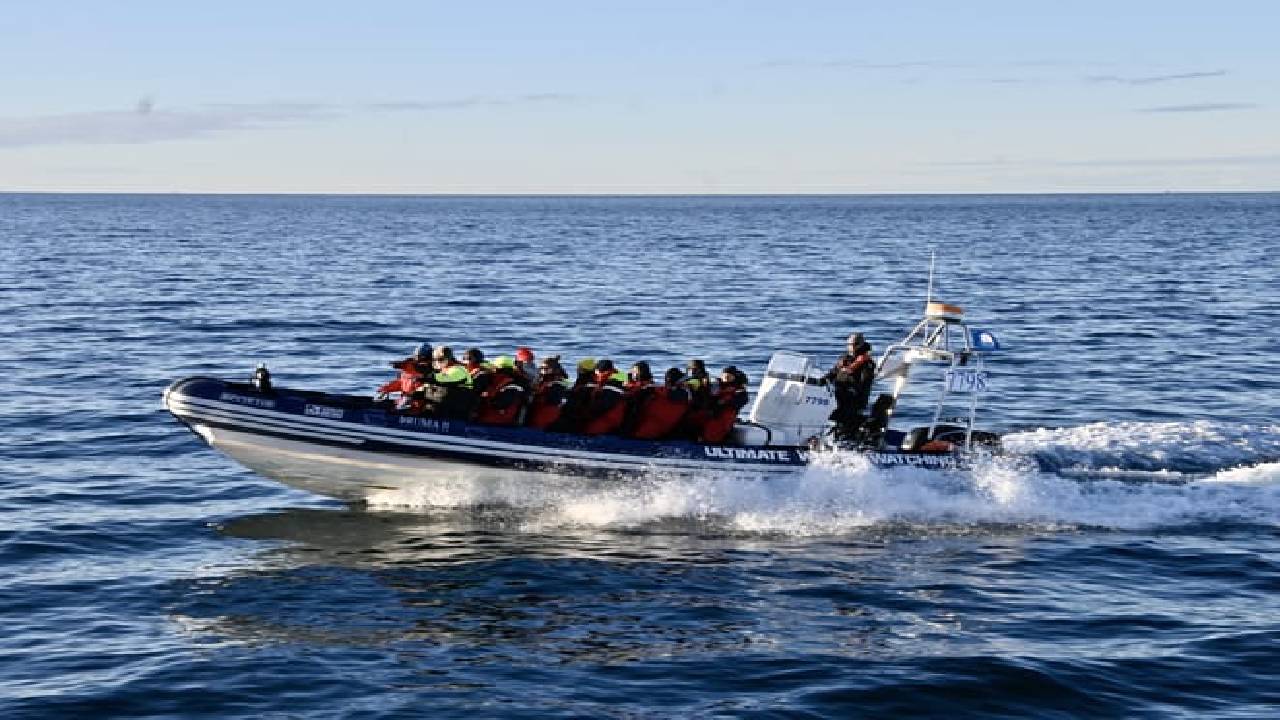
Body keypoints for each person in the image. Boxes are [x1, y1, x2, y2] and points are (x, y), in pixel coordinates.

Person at [826, 333, 876, 441]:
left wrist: (850, 389)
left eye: (855, 344)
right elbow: (833, 373)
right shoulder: (844, 359)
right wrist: (822, 380)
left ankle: (848, 441)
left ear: (861, 345)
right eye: (850, 344)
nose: (852, 347)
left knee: (846, 418)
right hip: (838, 394)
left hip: (854, 399)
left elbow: (864, 383)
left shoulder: (867, 364)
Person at [629, 367, 692, 440]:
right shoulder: (682, 394)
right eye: (683, 382)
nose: (685, 383)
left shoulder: (679, 394)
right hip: (651, 430)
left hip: (649, 431)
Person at [699, 366, 749, 443]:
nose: (726, 377)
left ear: (734, 377)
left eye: (729, 376)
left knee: (712, 432)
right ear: (721, 375)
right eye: (725, 375)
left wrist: (723, 402)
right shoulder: (714, 386)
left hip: (722, 418)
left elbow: (742, 401)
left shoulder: (738, 391)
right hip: (709, 415)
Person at [423, 345, 475, 418]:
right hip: (449, 405)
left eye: (440, 359)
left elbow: (446, 378)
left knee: (443, 393)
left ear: (448, 359)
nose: (437, 362)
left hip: (461, 404)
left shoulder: (459, 369)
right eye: (434, 359)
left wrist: (426, 377)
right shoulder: (442, 369)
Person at [473, 356, 528, 426]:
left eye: (493, 368)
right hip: (486, 418)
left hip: (497, 422)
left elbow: (499, 404)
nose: (491, 370)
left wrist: (484, 398)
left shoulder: (514, 385)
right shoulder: (494, 380)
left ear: (498, 369)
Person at [376, 342, 431, 410]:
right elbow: (400, 383)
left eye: (422, 358)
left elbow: (427, 390)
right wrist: (385, 390)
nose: (421, 361)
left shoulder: (432, 373)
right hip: (403, 403)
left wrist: (411, 397)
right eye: (417, 356)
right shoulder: (408, 368)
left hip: (420, 407)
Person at [582, 359, 630, 435]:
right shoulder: (620, 378)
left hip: (608, 421)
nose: (598, 376)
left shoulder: (613, 385)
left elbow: (603, 405)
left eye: (600, 373)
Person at [525, 355, 572, 430]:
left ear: (554, 369)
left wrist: (536, 395)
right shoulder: (541, 379)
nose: (543, 370)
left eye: (546, 368)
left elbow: (554, 400)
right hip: (538, 410)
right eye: (541, 368)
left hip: (548, 413)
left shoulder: (558, 383)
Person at [554, 358, 598, 432]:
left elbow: (575, 401)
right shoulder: (587, 382)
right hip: (580, 416)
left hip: (574, 418)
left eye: (579, 368)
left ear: (583, 370)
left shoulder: (585, 384)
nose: (577, 369)